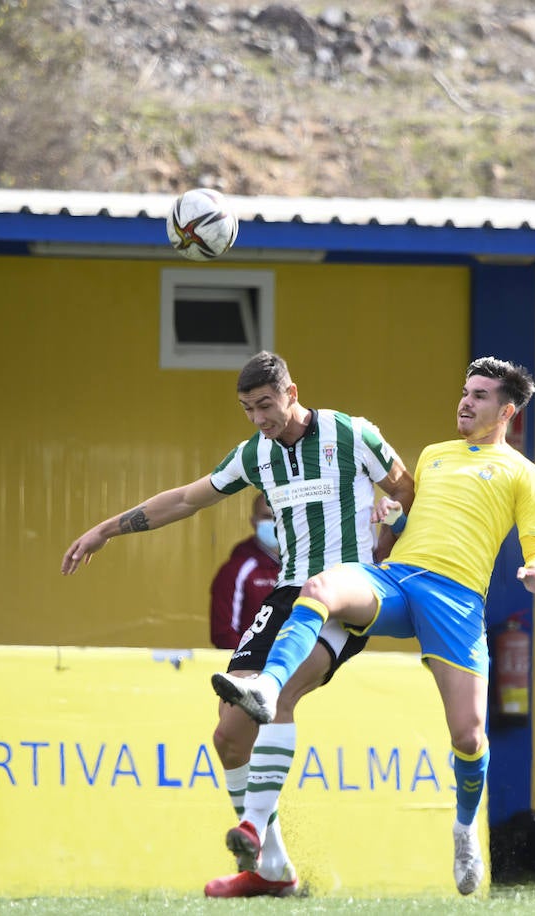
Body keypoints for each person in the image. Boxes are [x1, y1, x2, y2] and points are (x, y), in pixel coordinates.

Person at [62, 351, 414, 898]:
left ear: (292, 393)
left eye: (265, 405)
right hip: (286, 595)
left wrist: (386, 542)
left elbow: (406, 490)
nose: (258, 418)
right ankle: (272, 871)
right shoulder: (257, 454)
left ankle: (250, 825)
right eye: (247, 408)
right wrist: (106, 529)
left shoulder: (352, 433)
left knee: (278, 697)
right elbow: (184, 499)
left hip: (345, 594)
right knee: (229, 734)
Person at [211, 356, 535, 896]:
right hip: (398, 582)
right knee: (319, 587)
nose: (465, 402)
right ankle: (268, 684)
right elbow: (410, 511)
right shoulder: (434, 456)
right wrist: (390, 520)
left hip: (457, 601)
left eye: (481, 396)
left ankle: (465, 826)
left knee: (469, 736)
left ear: (506, 411)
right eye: (465, 391)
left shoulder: (523, 473)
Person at [210, 493, 281, 650]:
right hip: (249, 670)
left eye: (279, 515)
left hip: (299, 670)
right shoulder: (234, 571)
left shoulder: (305, 567)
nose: (275, 522)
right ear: (254, 522)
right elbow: (223, 634)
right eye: (267, 517)